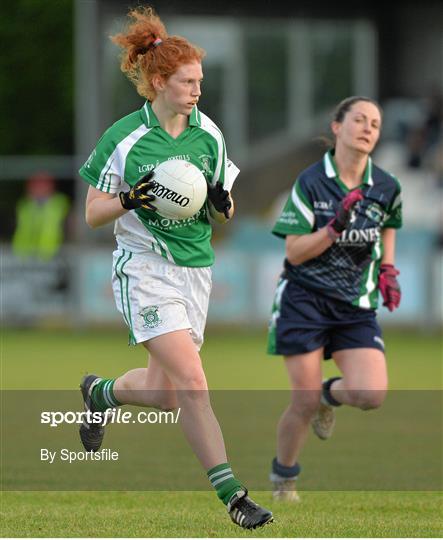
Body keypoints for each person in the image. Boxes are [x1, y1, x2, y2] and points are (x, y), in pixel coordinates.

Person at [77, 6, 272, 530]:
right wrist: (131, 198)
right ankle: (234, 496)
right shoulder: (124, 137)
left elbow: (225, 206)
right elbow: (93, 213)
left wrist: (218, 200)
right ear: (159, 82)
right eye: (188, 82)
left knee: (166, 395)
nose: (197, 90)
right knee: (193, 383)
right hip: (143, 268)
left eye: (200, 81)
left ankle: (101, 392)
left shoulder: (209, 133)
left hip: (195, 270)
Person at [267, 96, 402, 501]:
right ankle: (284, 479)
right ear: (338, 127)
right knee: (302, 402)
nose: (367, 128)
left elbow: (389, 223)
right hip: (304, 299)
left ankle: (331, 394)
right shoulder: (311, 181)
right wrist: (333, 228)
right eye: (359, 120)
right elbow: (293, 252)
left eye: (375, 124)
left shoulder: (386, 186)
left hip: (353, 304)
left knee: (370, 395)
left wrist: (388, 269)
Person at [12, 171, 70, 260]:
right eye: (35, 185)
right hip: (23, 256)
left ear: (51, 186)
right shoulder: (24, 205)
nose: (39, 188)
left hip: (51, 256)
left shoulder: (59, 203)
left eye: (42, 185)